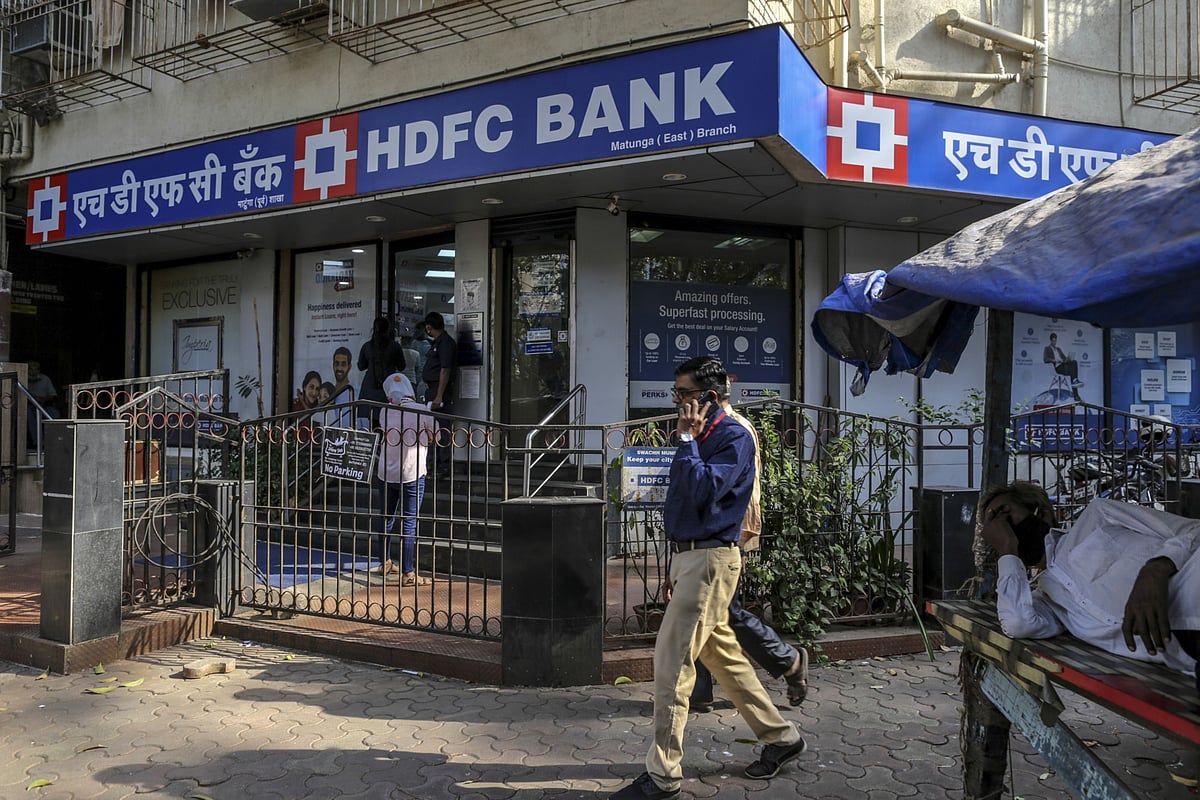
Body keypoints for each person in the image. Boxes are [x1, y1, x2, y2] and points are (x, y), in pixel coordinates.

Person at [611, 357, 805, 800]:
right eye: (675, 393)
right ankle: (782, 738)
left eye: (682, 394)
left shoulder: (732, 437)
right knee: (726, 660)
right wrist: (672, 568)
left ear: (709, 398)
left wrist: (687, 439)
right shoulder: (703, 437)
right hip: (692, 561)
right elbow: (681, 503)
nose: (676, 401)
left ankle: (663, 775)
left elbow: (703, 494)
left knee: (672, 666)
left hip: (711, 560)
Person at [980, 481, 1199, 692]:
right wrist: (1008, 550)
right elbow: (1018, 624)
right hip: (1188, 655)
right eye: (995, 526)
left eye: (1004, 512)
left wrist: (1156, 569)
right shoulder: (1049, 602)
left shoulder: (1099, 515)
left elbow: (1193, 530)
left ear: (1042, 511)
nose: (1003, 525)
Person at [686, 389, 809, 712]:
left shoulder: (735, 428)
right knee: (712, 611)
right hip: (711, 535)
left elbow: (739, 488)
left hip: (727, 535)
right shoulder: (706, 426)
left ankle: (788, 661)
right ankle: (700, 690)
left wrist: (737, 533)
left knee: (720, 612)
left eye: (690, 393)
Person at [375, 373, 436, 585]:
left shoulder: (384, 411)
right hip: (412, 471)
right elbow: (435, 436)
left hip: (386, 471)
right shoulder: (422, 411)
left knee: (386, 517)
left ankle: (385, 561)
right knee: (409, 521)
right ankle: (408, 572)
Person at [421, 311, 457, 475]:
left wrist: (439, 395)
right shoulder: (438, 343)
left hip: (439, 390)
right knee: (431, 428)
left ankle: (444, 465)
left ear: (429, 327)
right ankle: (432, 462)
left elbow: (445, 370)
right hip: (432, 389)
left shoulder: (445, 344)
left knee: (442, 428)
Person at [357, 318, 406, 427]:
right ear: (388, 330)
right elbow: (402, 366)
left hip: (369, 390)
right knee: (388, 423)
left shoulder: (367, 346)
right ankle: (386, 443)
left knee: (373, 425)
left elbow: (361, 366)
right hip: (389, 390)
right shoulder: (394, 346)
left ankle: (375, 443)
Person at [25, 360, 59, 446]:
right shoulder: (23, 378)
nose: (33, 371)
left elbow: (53, 395)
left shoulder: (45, 379)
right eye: (31, 369)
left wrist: (43, 399)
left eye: (35, 369)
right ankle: (38, 443)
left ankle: (53, 441)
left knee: (54, 414)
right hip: (28, 407)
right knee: (29, 415)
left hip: (44, 406)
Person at [1042, 333, 1082, 400]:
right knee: (1073, 372)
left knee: (1074, 362)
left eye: (1055, 341)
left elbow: (1064, 357)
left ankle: (1075, 384)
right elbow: (1045, 359)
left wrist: (1067, 359)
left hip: (1063, 365)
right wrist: (1055, 360)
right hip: (1057, 368)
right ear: (1050, 340)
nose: (1054, 342)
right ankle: (1076, 394)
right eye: (1053, 341)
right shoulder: (1047, 348)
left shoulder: (1058, 349)